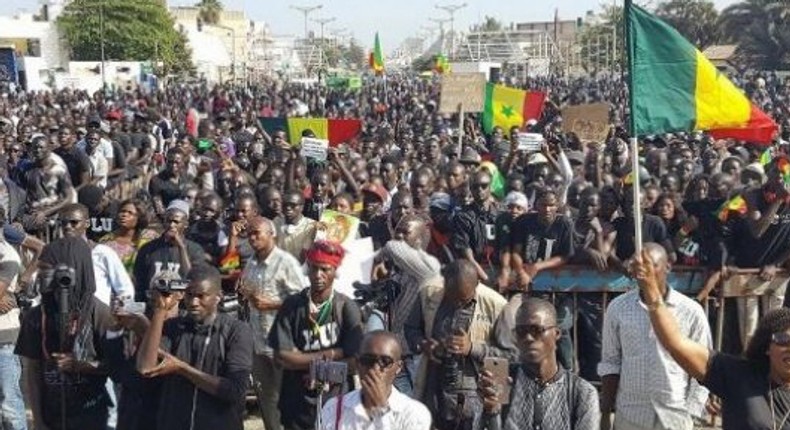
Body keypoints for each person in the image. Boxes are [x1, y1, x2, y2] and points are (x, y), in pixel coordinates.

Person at [631, 244, 790, 429]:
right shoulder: (739, 376)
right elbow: (676, 343)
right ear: (767, 347)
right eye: (783, 339)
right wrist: (651, 288)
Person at [599, 243, 711, 430]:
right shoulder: (617, 308)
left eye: (651, 265)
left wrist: (690, 412)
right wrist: (605, 414)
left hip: (674, 417)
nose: (643, 271)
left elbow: (703, 367)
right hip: (630, 417)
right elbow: (611, 363)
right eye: (637, 266)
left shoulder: (691, 312)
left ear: (667, 267)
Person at [136, 265, 253, 430]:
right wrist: (160, 311)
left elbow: (234, 390)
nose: (193, 303)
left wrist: (182, 368)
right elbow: (145, 367)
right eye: (189, 295)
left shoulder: (236, 331)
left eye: (201, 296)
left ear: (218, 297)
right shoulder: (173, 328)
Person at [16, 237, 113, 430]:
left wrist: (84, 366)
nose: (40, 276)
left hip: (92, 416)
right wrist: (38, 420)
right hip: (52, 417)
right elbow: (32, 371)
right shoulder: (37, 316)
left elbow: (119, 366)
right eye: (40, 269)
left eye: (46, 269)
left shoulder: (99, 313)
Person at [268, 240, 364, 430]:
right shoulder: (293, 305)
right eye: (313, 268)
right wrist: (333, 354)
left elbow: (355, 361)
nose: (318, 275)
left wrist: (318, 369)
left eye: (325, 269)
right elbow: (282, 356)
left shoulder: (346, 307)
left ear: (335, 271)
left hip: (337, 400)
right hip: (297, 401)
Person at [406, 260, 507, 430]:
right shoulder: (428, 293)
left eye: (463, 300)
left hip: (480, 396)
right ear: (444, 282)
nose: (457, 305)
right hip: (436, 390)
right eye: (451, 298)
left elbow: (512, 354)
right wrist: (424, 345)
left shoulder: (497, 305)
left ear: (477, 285)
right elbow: (411, 328)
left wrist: (472, 348)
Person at [479, 298, 600, 430]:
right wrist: (490, 411)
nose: (528, 338)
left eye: (537, 330)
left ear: (556, 333)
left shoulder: (582, 393)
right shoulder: (503, 382)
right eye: (521, 332)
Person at [238, 216, 306, 430]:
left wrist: (273, 304)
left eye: (257, 232)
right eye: (249, 233)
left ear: (272, 234)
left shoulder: (286, 262)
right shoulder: (251, 263)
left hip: (282, 345)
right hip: (259, 344)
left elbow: (304, 300)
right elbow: (250, 296)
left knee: (286, 398)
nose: (252, 237)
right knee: (266, 400)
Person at [319, 331, 432, 430]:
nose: (375, 369)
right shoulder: (334, 407)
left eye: (385, 361)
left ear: (398, 367)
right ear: (358, 364)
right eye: (368, 360)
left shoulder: (414, 413)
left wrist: (381, 412)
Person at [132, 199, 205, 303]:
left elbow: (194, 281)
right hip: (153, 306)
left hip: (183, 308)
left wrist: (181, 248)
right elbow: (140, 283)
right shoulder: (148, 249)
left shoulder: (195, 250)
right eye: (168, 221)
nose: (171, 225)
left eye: (176, 222)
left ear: (185, 224)